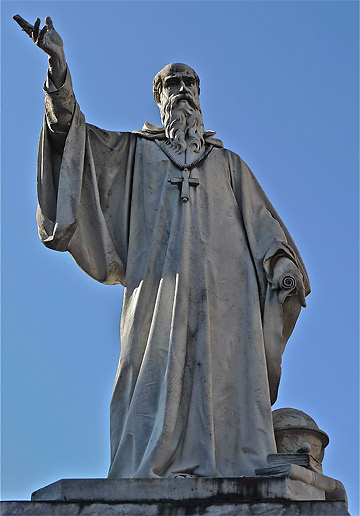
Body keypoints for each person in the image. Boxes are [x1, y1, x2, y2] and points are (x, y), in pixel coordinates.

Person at [14, 15, 310, 479]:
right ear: (159, 96)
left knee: (225, 384)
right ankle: (148, 468)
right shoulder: (135, 153)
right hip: (159, 295)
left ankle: (228, 465)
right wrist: (58, 72)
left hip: (226, 301)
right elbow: (72, 138)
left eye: (190, 82)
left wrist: (280, 266)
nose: (182, 90)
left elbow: (264, 226)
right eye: (172, 82)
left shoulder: (229, 166)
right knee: (150, 379)